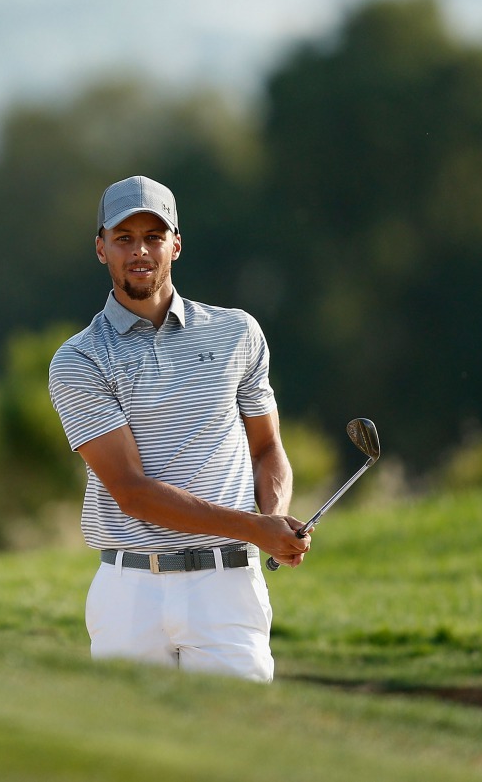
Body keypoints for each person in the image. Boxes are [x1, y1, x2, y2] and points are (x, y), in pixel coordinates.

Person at [48, 175, 310, 682]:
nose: (139, 251)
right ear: (101, 248)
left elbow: (267, 447)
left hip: (226, 586)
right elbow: (131, 492)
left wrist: (273, 518)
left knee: (241, 747)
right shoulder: (79, 359)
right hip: (129, 595)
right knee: (133, 758)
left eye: (154, 236)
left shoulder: (238, 332)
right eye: (124, 238)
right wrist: (256, 529)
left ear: (176, 244)